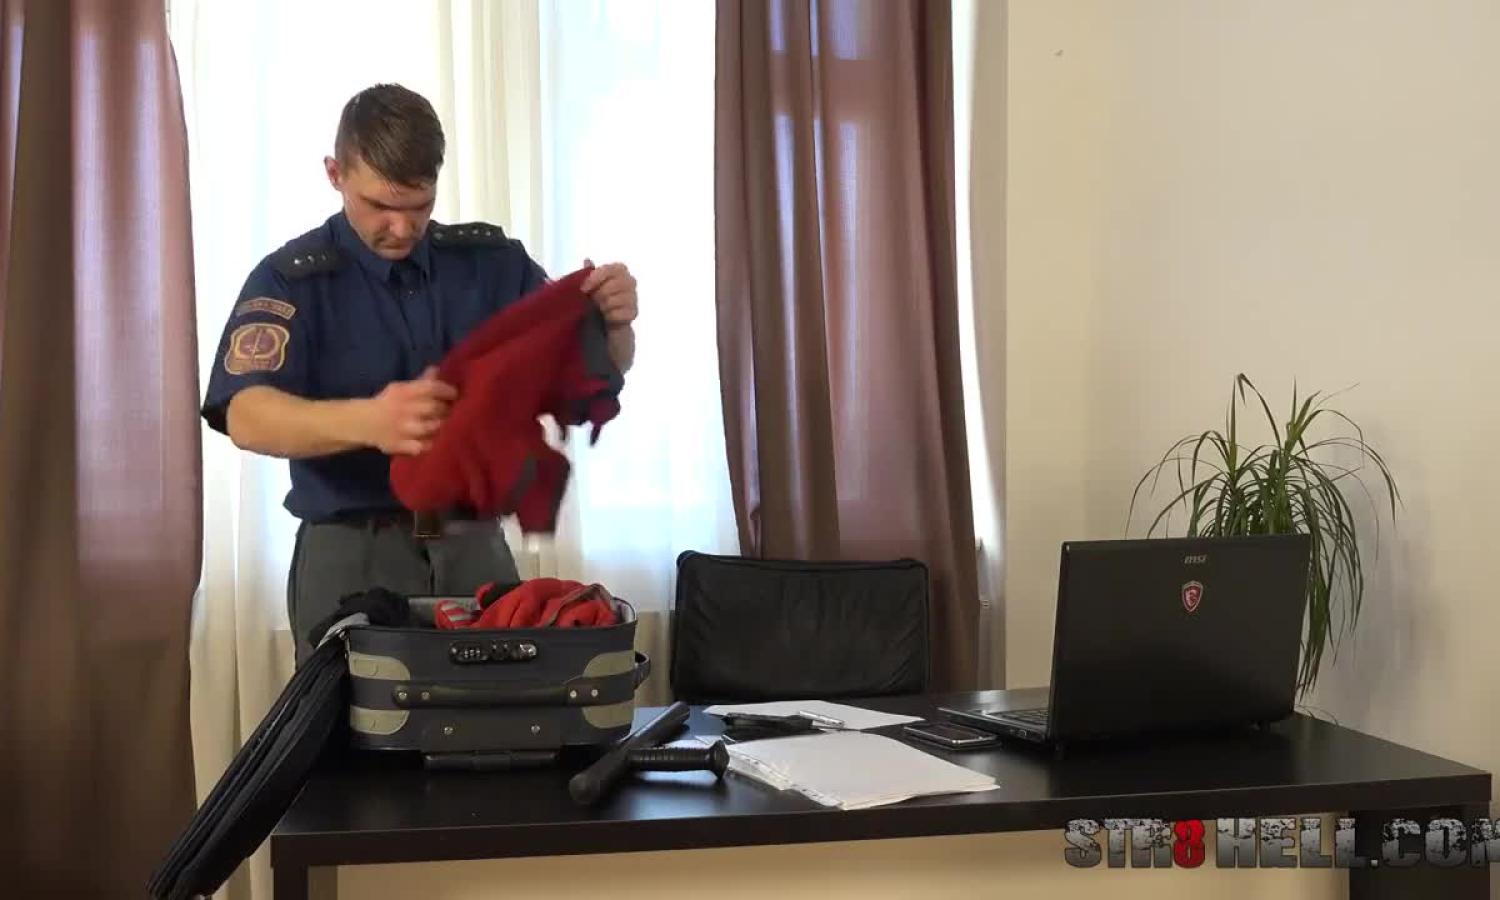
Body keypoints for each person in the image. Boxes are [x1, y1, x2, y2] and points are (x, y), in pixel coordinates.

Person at [200, 83, 639, 663]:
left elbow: (587, 372)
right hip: (350, 552)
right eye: (379, 206)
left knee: (493, 734)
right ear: (335, 174)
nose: (401, 229)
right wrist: (371, 420)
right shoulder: (292, 279)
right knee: (354, 741)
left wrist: (615, 325)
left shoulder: (490, 265)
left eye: (419, 207)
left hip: (475, 546)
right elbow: (246, 414)